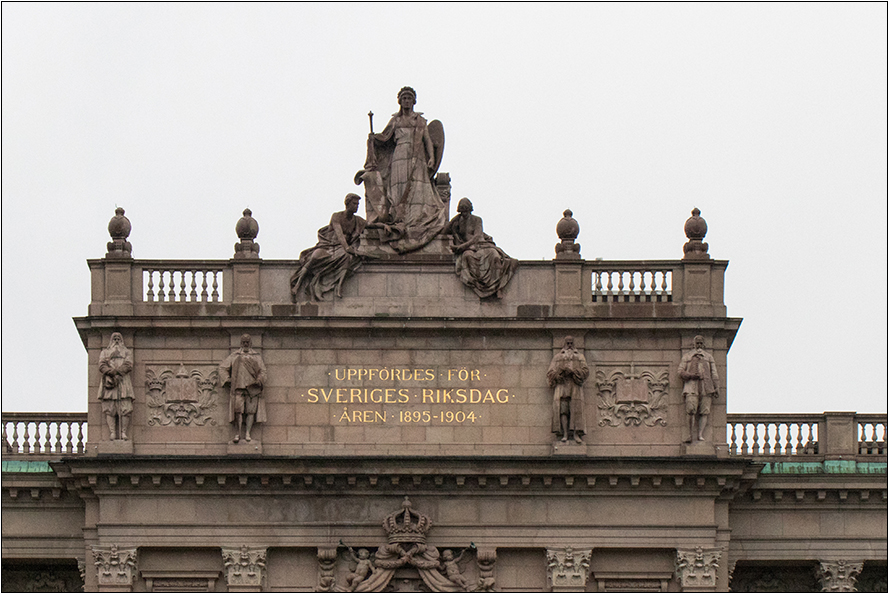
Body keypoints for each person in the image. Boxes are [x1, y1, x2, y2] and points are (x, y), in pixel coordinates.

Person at [365, 86, 447, 253]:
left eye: (409, 98)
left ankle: (416, 220)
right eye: (404, 98)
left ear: (414, 101)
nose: (407, 101)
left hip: (418, 157)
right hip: (399, 156)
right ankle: (399, 218)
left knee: (418, 189)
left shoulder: (420, 121)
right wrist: (374, 139)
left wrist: (431, 157)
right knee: (398, 189)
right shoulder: (395, 120)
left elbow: (427, 140)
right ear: (400, 101)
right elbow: (385, 137)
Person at [291, 194, 367, 301]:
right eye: (354, 204)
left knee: (347, 257)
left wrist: (384, 225)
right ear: (347, 204)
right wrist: (347, 247)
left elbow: (370, 225)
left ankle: (339, 287)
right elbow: (339, 234)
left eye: (358, 204)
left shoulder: (357, 220)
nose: (357, 206)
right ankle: (297, 284)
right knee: (315, 257)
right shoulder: (337, 216)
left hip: (341, 248)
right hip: (328, 246)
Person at [444, 198, 518, 298]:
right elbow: (444, 232)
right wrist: (454, 220)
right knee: (467, 256)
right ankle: (477, 284)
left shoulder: (477, 219)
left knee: (495, 256)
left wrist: (461, 246)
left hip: (482, 245)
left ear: (470, 209)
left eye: (466, 210)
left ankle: (497, 287)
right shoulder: (458, 221)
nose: (464, 213)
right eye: (462, 211)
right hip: (469, 249)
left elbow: (477, 236)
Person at [219, 334, 267, 443]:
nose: (245, 344)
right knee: (238, 411)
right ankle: (238, 433)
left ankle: (248, 433)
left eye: (247, 342)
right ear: (241, 343)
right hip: (238, 387)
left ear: (250, 343)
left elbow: (263, 371)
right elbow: (222, 368)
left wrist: (259, 380)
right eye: (244, 342)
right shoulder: (235, 355)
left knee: (250, 411)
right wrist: (227, 379)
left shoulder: (256, 356)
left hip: (252, 389)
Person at [547, 336, 590, 444]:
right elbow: (550, 373)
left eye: (571, 343)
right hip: (562, 387)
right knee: (563, 410)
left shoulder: (580, 357)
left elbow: (585, 371)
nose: (569, 345)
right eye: (568, 343)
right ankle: (565, 434)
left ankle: (576, 434)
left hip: (575, 386)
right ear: (564, 344)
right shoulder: (557, 357)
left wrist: (574, 372)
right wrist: (558, 374)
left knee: (575, 410)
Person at [678, 335, 719, 442]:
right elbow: (680, 371)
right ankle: (690, 434)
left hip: (706, 387)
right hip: (691, 387)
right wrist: (691, 375)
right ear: (694, 344)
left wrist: (716, 386)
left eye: (701, 343)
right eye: (697, 343)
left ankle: (700, 434)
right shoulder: (687, 356)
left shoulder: (708, 357)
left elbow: (714, 373)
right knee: (691, 409)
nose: (699, 345)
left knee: (704, 411)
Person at [97, 332, 135, 440]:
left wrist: (118, 373)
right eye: (115, 338)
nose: (117, 340)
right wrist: (111, 372)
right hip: (109, 381)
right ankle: (112, 432)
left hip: (123, 381)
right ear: (111, 341)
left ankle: (123, 432)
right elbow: (101, 365)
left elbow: (129, 364)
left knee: (125, 407)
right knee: (109, 407)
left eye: (118, 338)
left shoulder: (127, 352)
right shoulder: (105, 352)